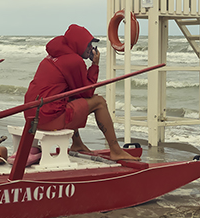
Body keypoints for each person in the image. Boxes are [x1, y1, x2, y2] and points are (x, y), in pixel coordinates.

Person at [24, 24, 136, 161]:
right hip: (48, 118)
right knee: (99, 102)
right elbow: (86, 93)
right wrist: (94, 65)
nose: (91, 49)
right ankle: (116, 150)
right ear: (78, 44)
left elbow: (75, 92)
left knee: (68, 98)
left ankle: (77, 144)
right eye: (88, 45)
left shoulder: (52, 56)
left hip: (32, 115)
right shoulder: (74, 61)